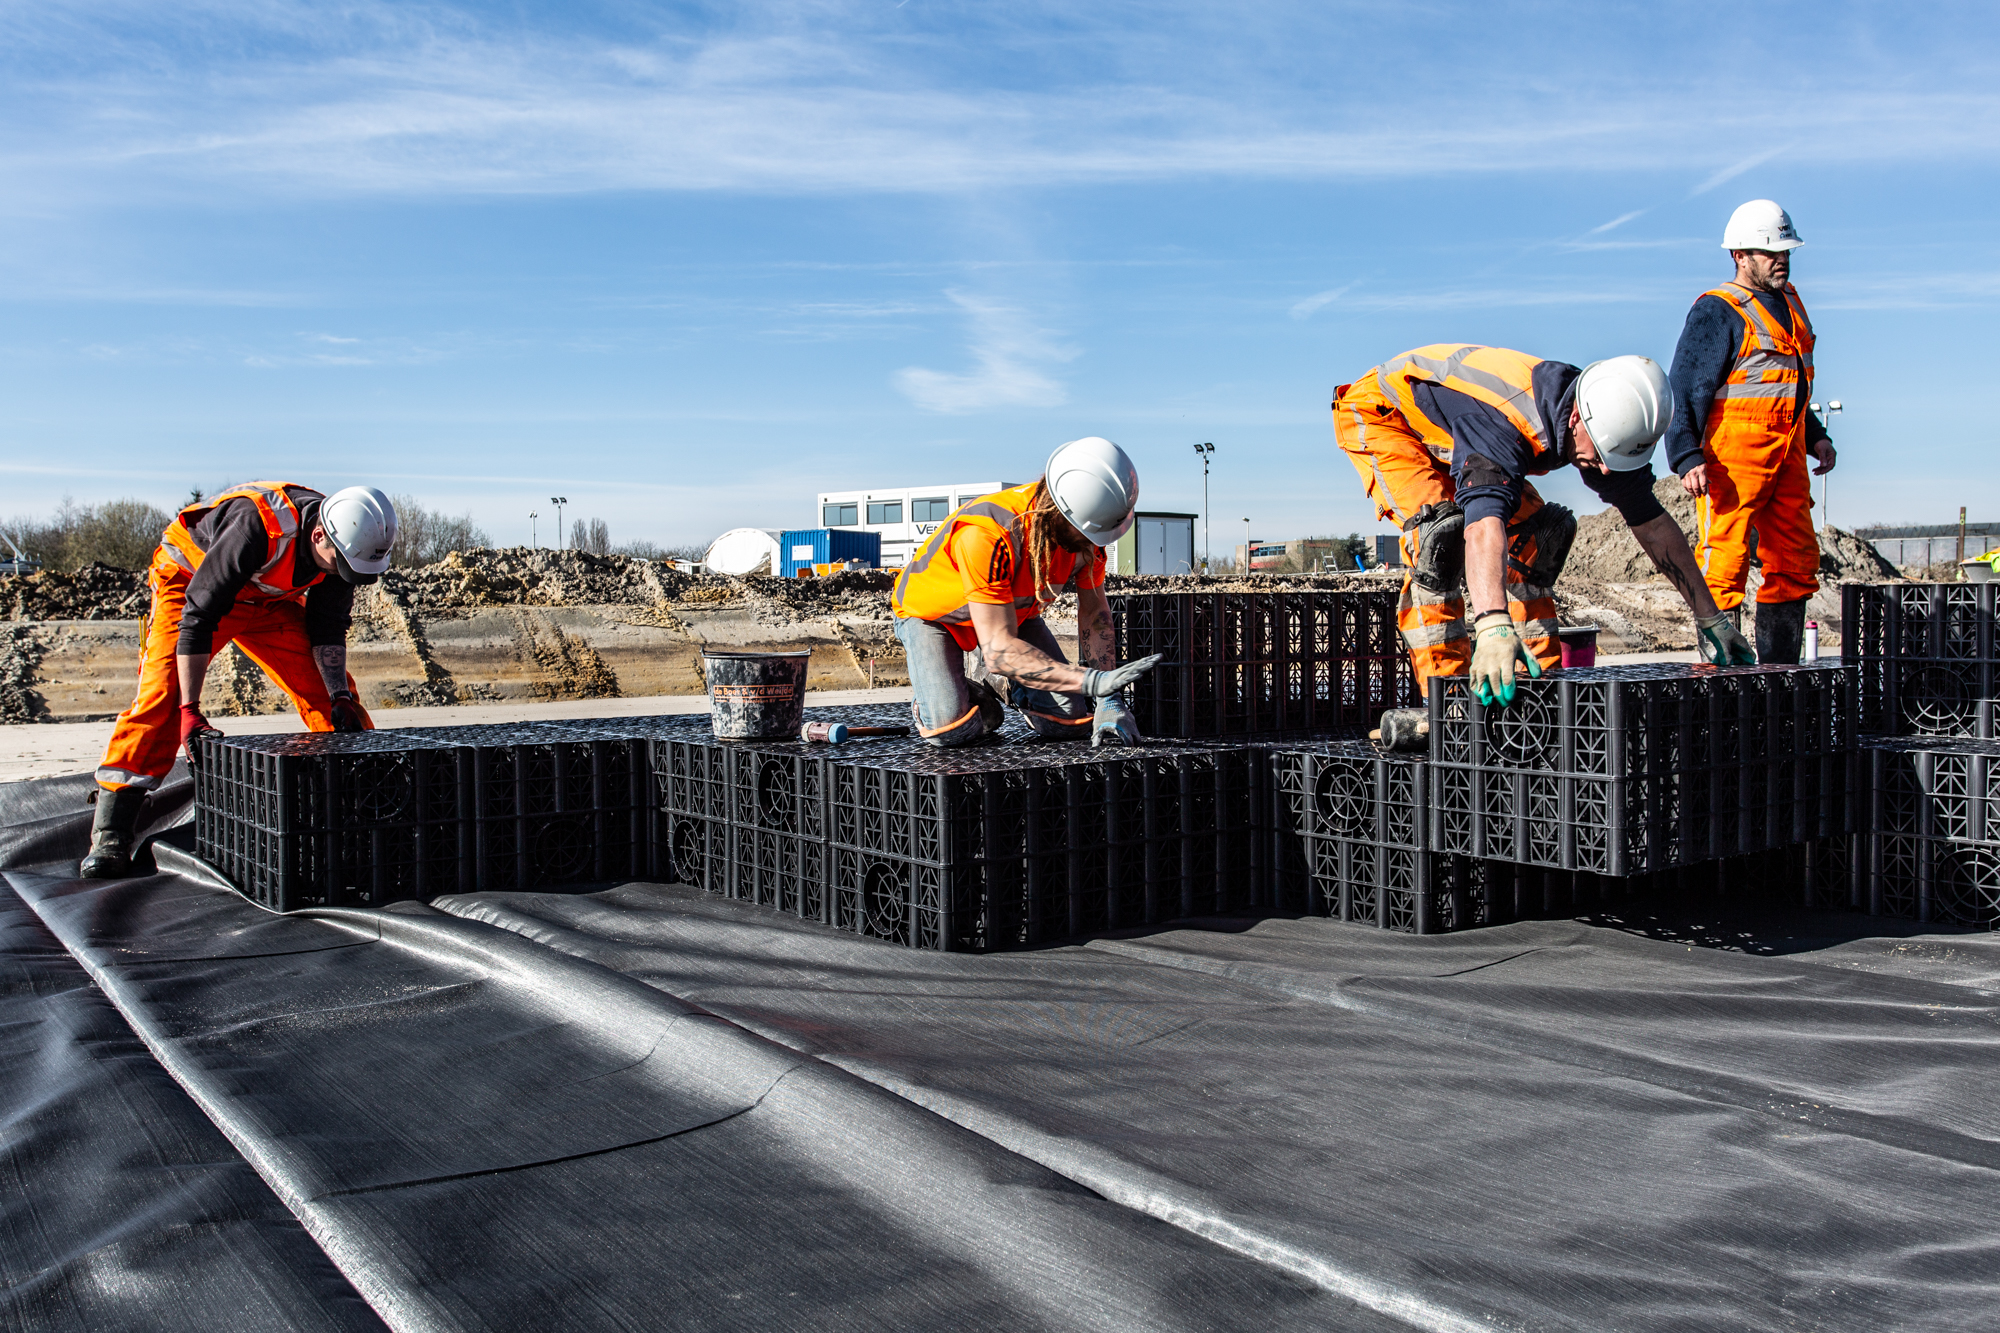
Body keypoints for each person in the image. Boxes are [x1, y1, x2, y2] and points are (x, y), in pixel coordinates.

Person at [1334, 345, 1750, 719]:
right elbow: (1483, 528)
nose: (1604, 471)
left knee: (1534, 540)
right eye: (1600, 458)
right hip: (1387, 414)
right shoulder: (1502, 426)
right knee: (1439, 541)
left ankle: (1532, 694)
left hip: (1456, 429)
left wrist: (1709, 615)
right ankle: (1448, 708)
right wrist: (1494, 624)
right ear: (1574, 418)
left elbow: (1655, 526)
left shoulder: (1607, 424)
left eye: (1612, 462)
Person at [80, 483, 399, 878]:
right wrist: (189, 712)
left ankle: (372, 803)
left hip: (266, 601)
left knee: (330, 696)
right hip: (191, 584)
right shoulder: (255, 526)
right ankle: (112, 829)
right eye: (339, 565)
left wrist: (338, 696)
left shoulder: (344, 546)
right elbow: (198, 618)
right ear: (318, 535)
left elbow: (328, 628)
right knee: (162, 696)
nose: (341, 574)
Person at [890, 437, 1161, 747]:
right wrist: (1092, 681)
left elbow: (1095, 616)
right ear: (1059, 510)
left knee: (1070, 722)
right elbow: (1002, 648)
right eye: (1086, 534)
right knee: (951, 730)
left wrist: (1109, 700)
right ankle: (950, 694)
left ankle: (999, 678)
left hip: (1011, 614)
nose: (1092, 544)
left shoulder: (1087, 540)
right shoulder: (987, 533)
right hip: (934, 616)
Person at [1666, 199, 1833, 665]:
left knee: (1796, 562)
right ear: (1739, 256)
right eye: (1769, 252)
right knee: (1724, 566)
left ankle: (1779, 680)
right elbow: (1685, 386)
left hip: (1789, 454)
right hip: (1732, 462)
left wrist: (1816, 432)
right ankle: (1722, 686)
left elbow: (1791, 378)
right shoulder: (1718, 311)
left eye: (1785, 251)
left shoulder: (1790, 303)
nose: (1781, 260)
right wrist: (1685, 454)